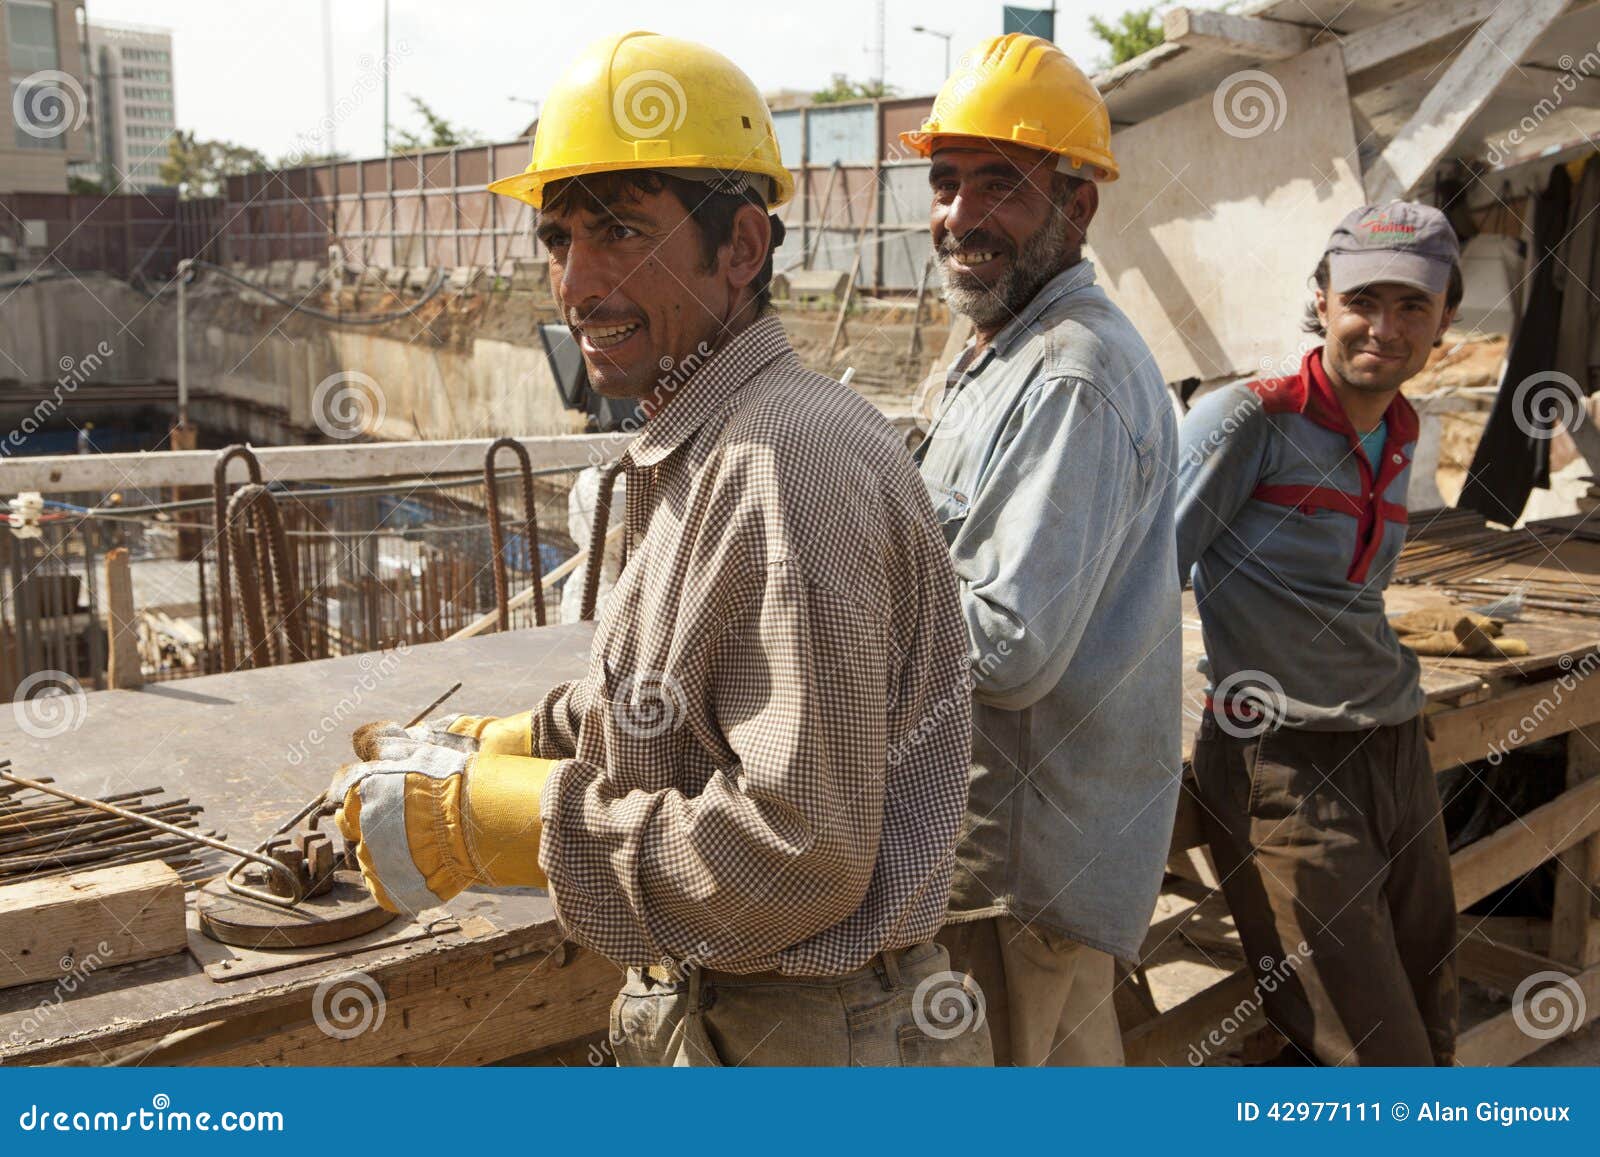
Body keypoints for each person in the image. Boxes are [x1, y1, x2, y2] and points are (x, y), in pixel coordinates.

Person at [325, 30, 989, 1067]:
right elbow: (683, 697)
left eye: (621, 232)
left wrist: (503, 825)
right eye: (557, 240)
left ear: (741, 247)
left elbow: (797, 856)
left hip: (808, 1036)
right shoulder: (715, 441)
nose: (578, 283)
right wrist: (519, 737)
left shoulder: (783, 463)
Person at [905, 33, 1182, 1066]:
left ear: (1077, 206)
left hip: (1017, 865)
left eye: (1000, 187)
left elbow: (1010, 647)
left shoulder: (1071, 373)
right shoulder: (1000, 346)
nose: (961, 218)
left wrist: (833, 586)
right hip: (1019, 860)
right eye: (945, 183)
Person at [1175, 201, 1463, 1065]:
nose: (1385, 326)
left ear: (1446, 318)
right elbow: (1138, 579)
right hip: (1283, 759)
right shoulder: (1248, 420)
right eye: (1363, 299)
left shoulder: (1403, 429)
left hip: (1395, 744)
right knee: (1370, 1052)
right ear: (1322, 298)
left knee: (1431, 1011)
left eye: (1413, 305)